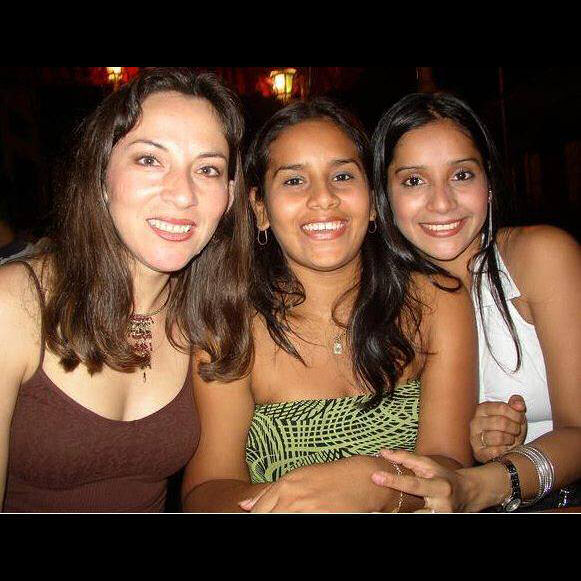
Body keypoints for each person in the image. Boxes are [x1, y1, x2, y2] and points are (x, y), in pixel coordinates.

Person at [182, 98, 477, 513]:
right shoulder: (228, 326)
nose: (323, 198)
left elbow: (451, 463)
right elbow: (205, 491)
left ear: (373, 200)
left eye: (342, 176)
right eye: (294, 181)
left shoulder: (437, 300)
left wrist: (376, 485)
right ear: (260, 208)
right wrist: (302, 501)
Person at [0, 67, 252, 512]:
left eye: (207, 169)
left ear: (229, 196)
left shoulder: (205, 320)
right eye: (150, 160)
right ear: (101, 174)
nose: (182, 194)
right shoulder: (15, 304)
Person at [370, 92, 581, 512]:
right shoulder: (379, 303)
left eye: (462, 175)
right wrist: (474, 448)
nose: (442, 202)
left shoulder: (541, 256)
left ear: (489, 183)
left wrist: (487, 480)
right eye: (413, 181)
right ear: (383, 197)